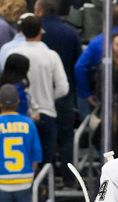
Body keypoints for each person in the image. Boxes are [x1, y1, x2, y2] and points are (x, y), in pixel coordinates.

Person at [35, 0, 82, 184]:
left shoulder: (35, 33)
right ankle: (69, 178)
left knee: (41, 139)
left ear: (39, 10)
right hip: (65, 93)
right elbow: (78, 64)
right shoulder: (70, 32)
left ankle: (44, 180)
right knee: (66, 137)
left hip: (40, 95)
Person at [12, 15, 68, 167]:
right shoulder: (51, 56)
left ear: (22, 32)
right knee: (45, 161)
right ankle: (43, 188)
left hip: (21, 114)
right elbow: (63, 88)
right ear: (40, 32)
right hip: (46, 112)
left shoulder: (14, 55)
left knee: (23, 160)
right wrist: (49, 96)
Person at [0, 84, 42, 202]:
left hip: (1, 182)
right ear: (18, 102)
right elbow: (36, 155)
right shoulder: (28, 123)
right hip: (24, 180)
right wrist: (31, 176)